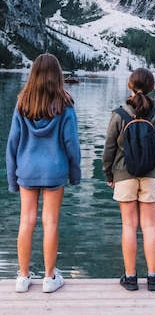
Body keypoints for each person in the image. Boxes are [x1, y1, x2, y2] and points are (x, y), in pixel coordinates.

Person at [6, 53, 81, 294]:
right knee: (50, 222)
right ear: (57, 76)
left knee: (26, 221)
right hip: (54, 171)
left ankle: (23, 276)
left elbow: (12, 144)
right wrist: (75, 174)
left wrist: (12, 178)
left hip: (26, 170)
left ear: (34, 75)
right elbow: (72, 144)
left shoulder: (22, 103)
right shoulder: (65, 105)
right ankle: (50, 278)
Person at [102, 68, 155, 292]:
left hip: (124, 174)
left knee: (129, 226)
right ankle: (153, 277)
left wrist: (109, 174)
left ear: (129, 86)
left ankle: (130, 278)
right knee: (149, 226)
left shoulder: (119, 114)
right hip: (151, 174)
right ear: (152, 88)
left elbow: (109, 149)